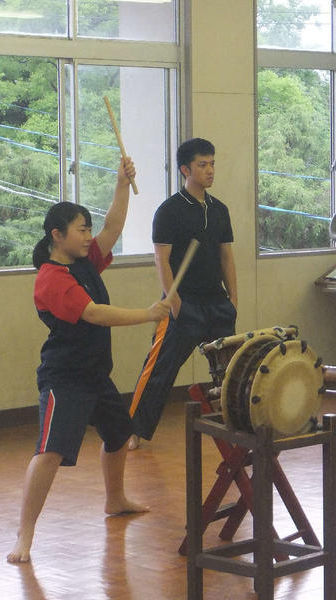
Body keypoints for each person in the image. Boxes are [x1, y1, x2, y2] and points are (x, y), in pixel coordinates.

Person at [7, 157, 171, 564]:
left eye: (86, 229)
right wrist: (149, 313)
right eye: (81, 230)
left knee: (118, 434)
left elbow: (113, 227)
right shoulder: (51, 278)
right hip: (65, 379)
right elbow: (95, 314)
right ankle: (24, 534)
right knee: (50, 452)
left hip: (96, 374)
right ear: (57, 235)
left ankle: (115, 500)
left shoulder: (83, 262)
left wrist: (122, 183)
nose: (87, 236)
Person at [128, 138, 237, 449]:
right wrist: (174, 302)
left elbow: (226, 257)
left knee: (230, 371)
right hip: (183, 304)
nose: (210, 170)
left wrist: (233, 299)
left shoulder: (219, 210)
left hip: (217, 303)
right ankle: (133, 430)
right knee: (160, 371)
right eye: (202, 165)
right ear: (185, 170)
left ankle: (235, 424)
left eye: (212, 163)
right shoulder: (169, 211)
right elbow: (160, 259)